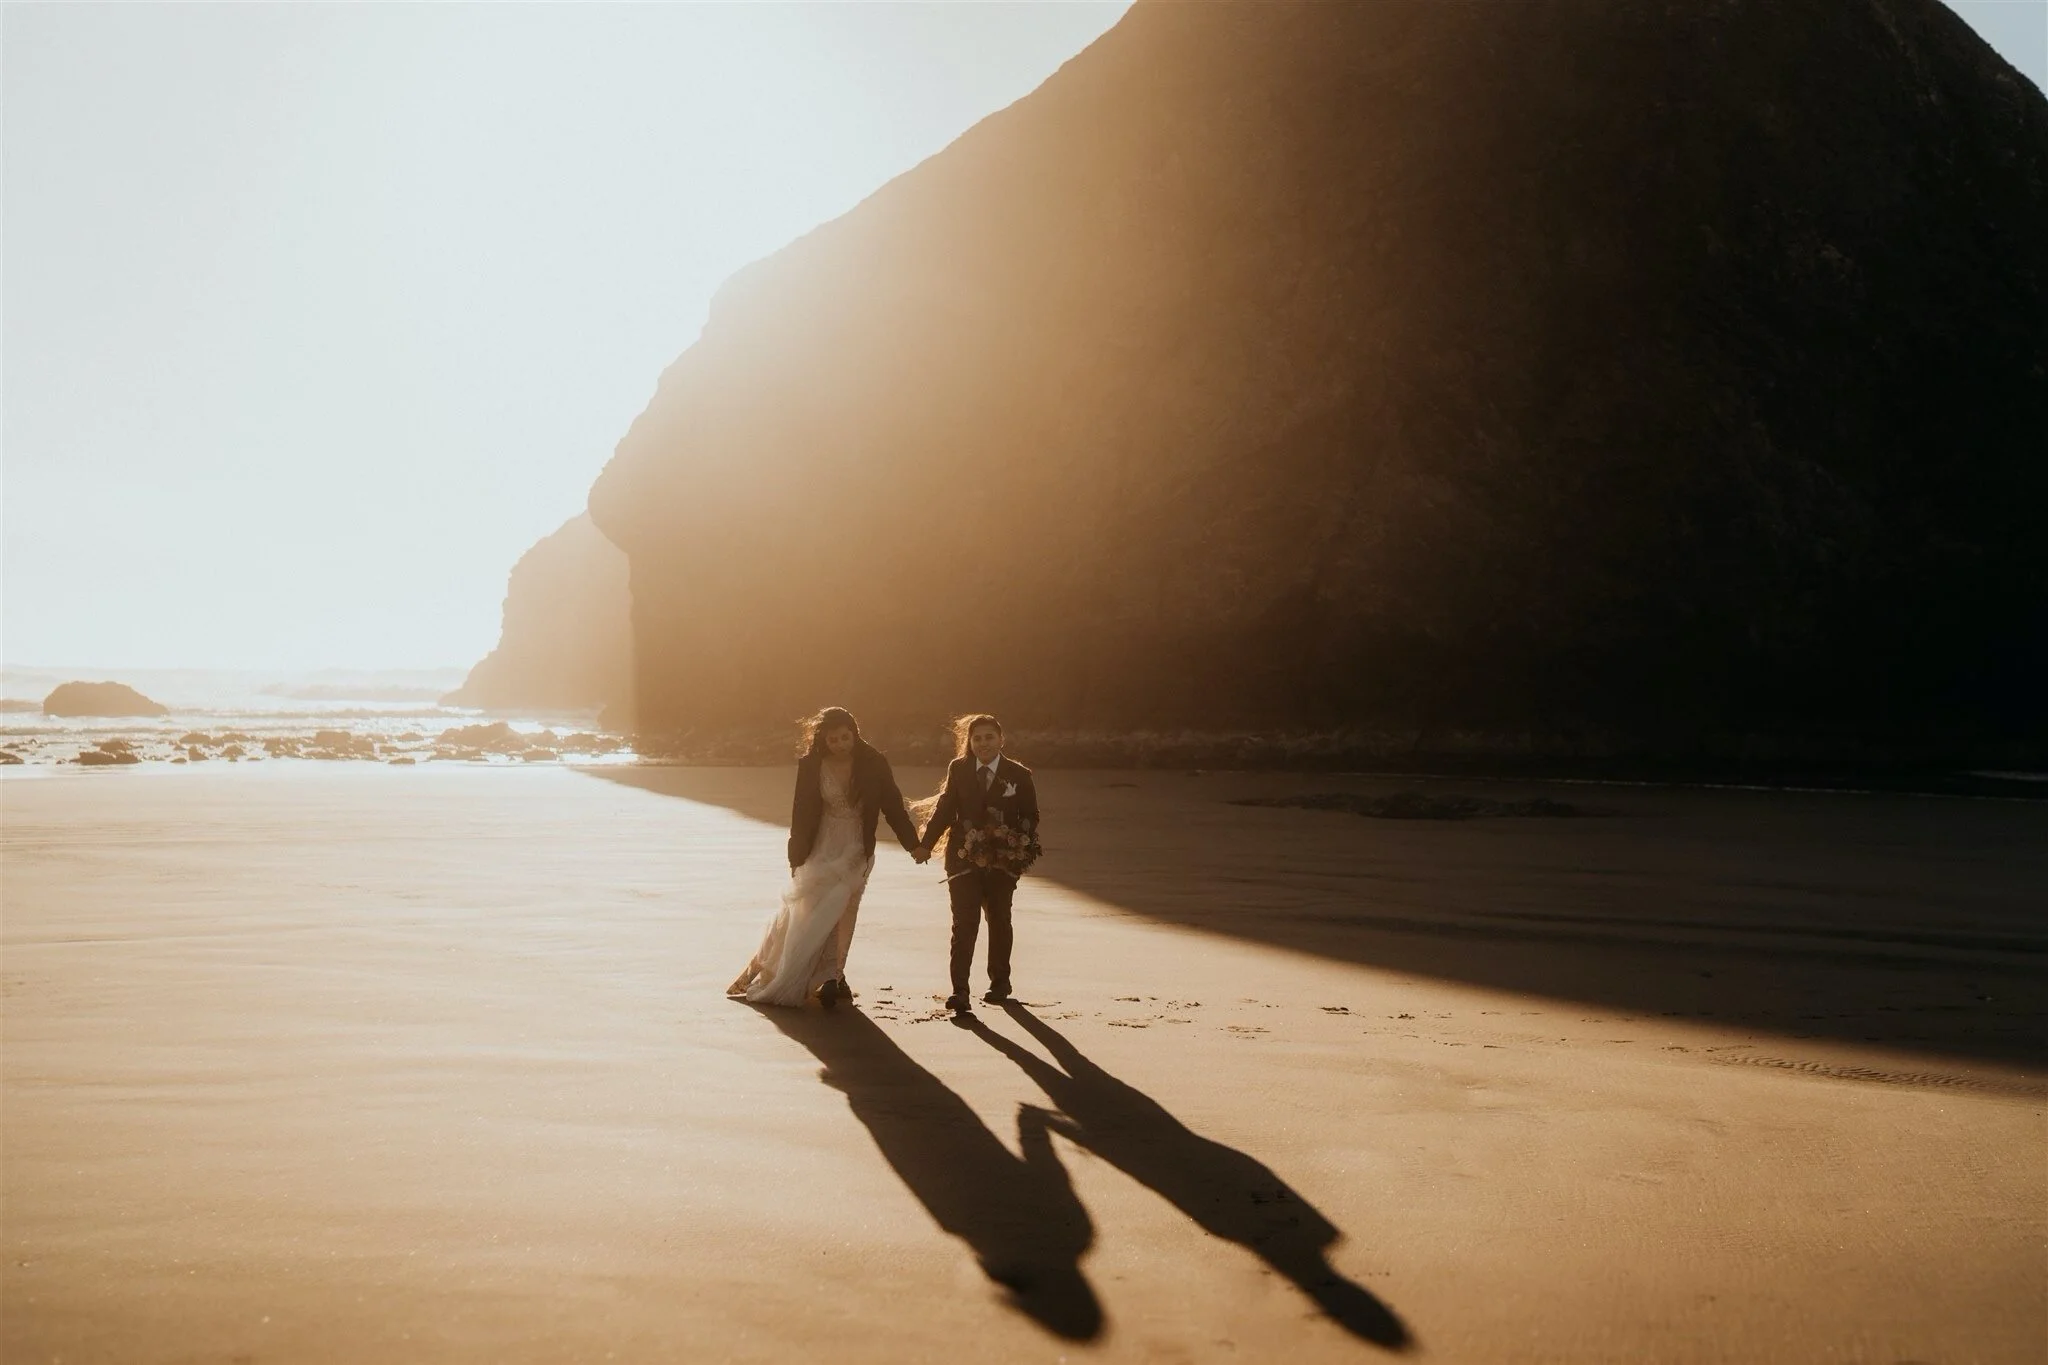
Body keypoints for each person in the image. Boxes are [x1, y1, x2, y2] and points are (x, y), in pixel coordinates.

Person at [728, 707, 927, 1008]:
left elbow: (893, 807)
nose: (840, 744)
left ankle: (834, 975)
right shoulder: (811, 765)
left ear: (854, 733)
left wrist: (913, 845)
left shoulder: (874, 763)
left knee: (845, 910)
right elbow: (801, 812)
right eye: (833, 740)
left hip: (858, 849)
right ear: (823, 740)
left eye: (845, 737)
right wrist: (796, 857)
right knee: (805, 910)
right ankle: (779, 967)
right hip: (821, 846)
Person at [917, 713, 1039, 1013]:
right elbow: (946, 809)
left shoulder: (1019, 775)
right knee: (965, 923)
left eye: (989, 737)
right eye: (977, 738)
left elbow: (1030, 816)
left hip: (1003, 861)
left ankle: (1000, 984)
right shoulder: (959, 769)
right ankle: (960, 991)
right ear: (969, 742)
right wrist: (925, 845)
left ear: (1001, 739)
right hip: (962, 858)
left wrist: (1015, 844)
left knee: (999, 920)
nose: (983, 743)